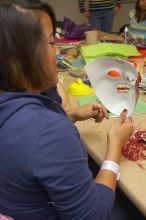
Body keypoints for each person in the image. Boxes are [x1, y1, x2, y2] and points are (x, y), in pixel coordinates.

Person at [0, 1, 134, 220]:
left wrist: (71, 114)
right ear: (20, 58)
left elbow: (27, 147)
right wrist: (115, 147)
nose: (57, 53)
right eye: (52, 43)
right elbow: (94, 216)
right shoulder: (48, 132)